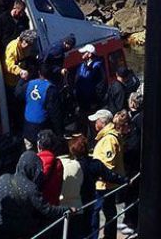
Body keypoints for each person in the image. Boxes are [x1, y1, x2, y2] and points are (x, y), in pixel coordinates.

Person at [0, 151, 72, 239]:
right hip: (16, 232)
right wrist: (67, 209)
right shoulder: (31, 188)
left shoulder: (3, 178)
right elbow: (47, 210)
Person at [68, 134, 125, 239]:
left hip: (76, 200)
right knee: (91, 223)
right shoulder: (94, 164)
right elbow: (110, 175)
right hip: (90, 198)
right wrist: (125, 180)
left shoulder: (72, 165)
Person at [91, 110, 129, 239]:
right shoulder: (109, 136)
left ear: (102, 122)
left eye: (96, 121)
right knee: (109, 211)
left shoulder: (108, 139)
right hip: (107, 183)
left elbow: (108, 165)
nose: (94, 123)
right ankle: (109, 235)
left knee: (97, 212)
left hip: (104, 185)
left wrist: (94, 171)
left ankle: (99, 236)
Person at [16, 64, 63, 148]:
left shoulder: (29, 84)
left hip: (27, 129)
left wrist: (22, 79)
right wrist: (59, 134)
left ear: (39, 73)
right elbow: (55, 114)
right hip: (42, 132)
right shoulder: (51, 89)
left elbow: (17, 93)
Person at [120, 92, 143, 236]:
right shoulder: (140, 117)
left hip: (133, 167)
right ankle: (129, 219)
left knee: (132, 195)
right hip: (134, 165)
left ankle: (131, 221)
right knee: (131, 195)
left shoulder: (136, 121)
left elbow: (133, 145)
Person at [74, 44, 106, 118]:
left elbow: (100, 85)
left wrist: (95, 100)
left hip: (92, 101)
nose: (81, 54)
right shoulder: (82, 65)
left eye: (84, 52)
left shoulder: (97, 66)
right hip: (82, 100)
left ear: (89, 54)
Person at [36, 130, 64, 206]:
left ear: (39, 146)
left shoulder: (33, 162)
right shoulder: (58, 163)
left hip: (37, 207)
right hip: (53, 205)